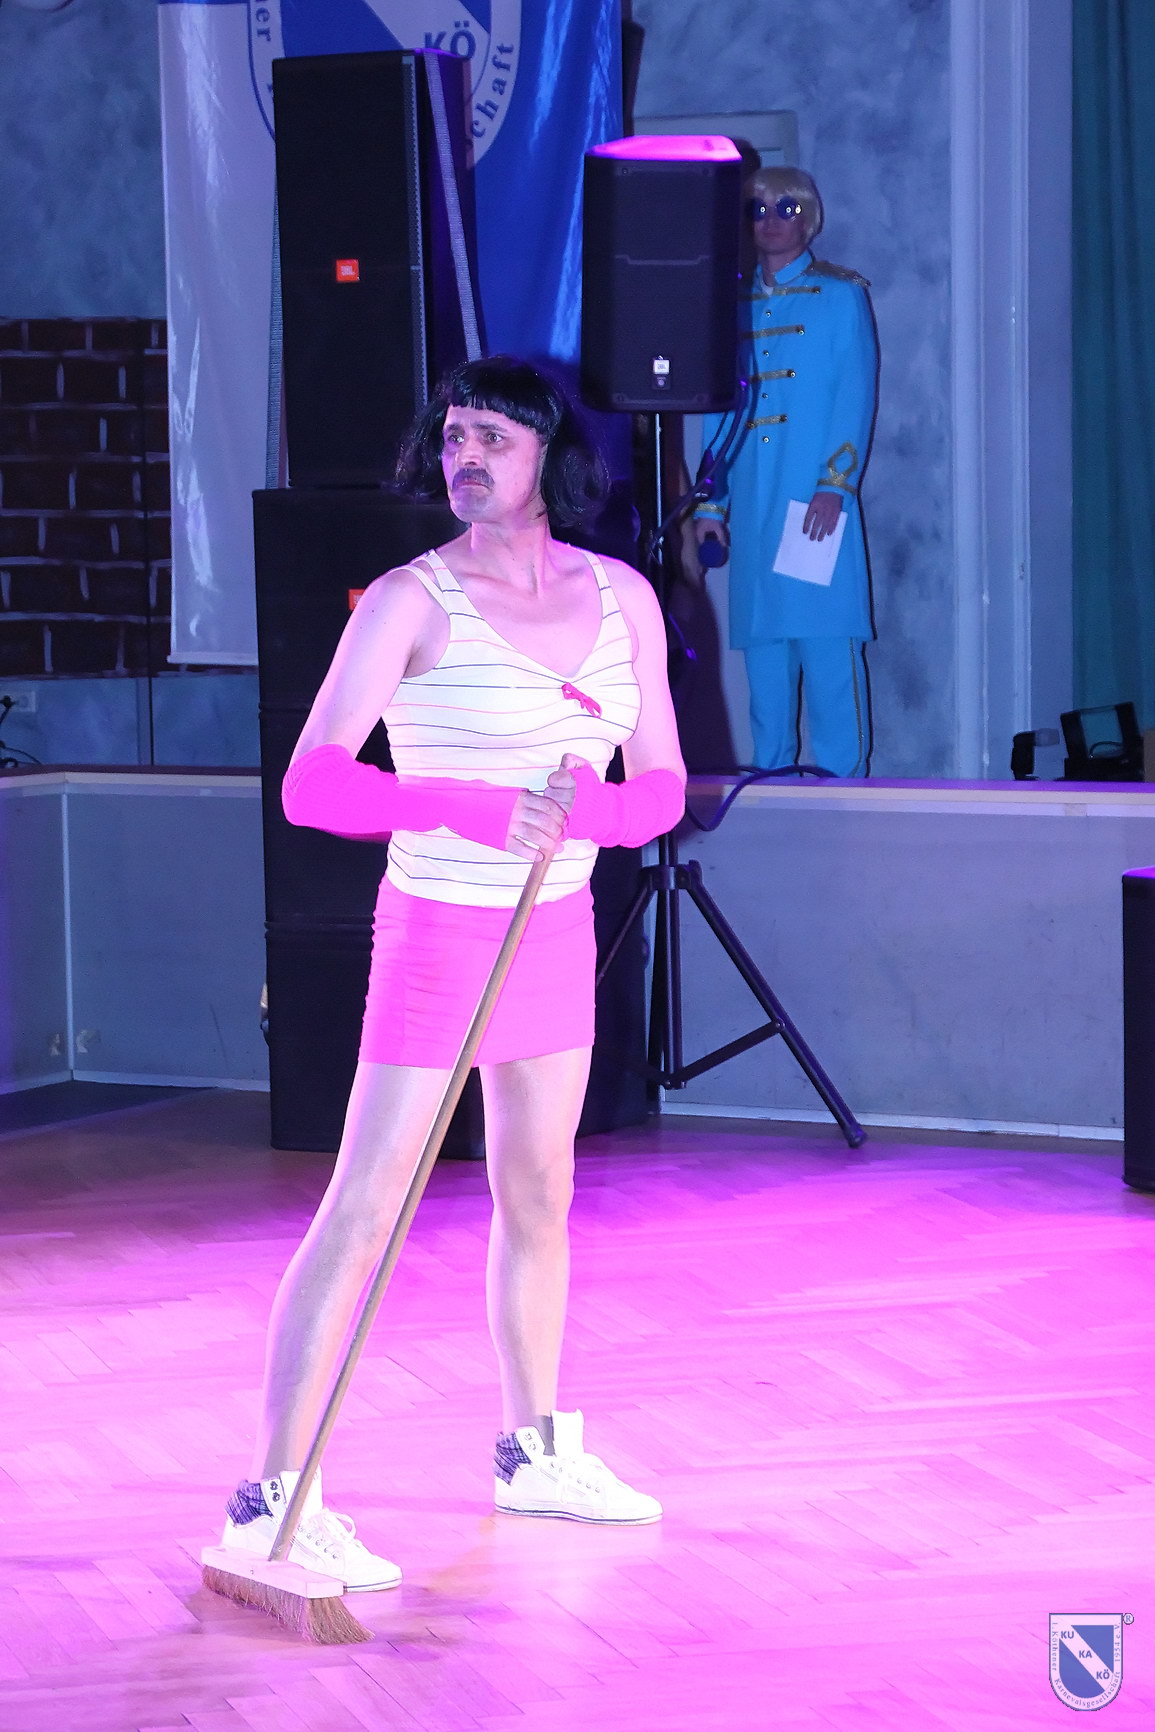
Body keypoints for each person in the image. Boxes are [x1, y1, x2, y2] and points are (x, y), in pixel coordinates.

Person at [214, 357, 687, 1590]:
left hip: (556, 924)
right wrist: (470, 806)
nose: (465, 456)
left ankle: (532, 1453)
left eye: (494, 439)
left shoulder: (624, 598)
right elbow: (311, 785)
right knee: (367, 1203)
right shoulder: (408, 603)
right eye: (454, 436)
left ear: (552, 460)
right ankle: (271, 1495)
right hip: (439, 931)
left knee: (539, 1190)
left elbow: (663, 785)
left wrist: (599, 811)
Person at [694, 165, 879, 777]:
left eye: (786, 209)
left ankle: (845, 784)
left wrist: (834, 485)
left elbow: (854, 397)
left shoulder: (841, 296)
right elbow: (719, 412)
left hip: (812, 503)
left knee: (825, 648)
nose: (771, 221)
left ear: (809, 218)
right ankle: (769, 781)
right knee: (765, 654)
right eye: (759, 209)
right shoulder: (731, 305)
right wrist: (711, 504)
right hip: (753, 504)